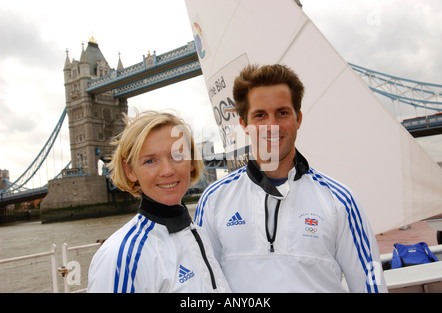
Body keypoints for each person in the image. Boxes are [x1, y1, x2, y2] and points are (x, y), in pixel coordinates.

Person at [194, 64, 387, 293]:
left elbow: (370, 285)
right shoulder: (214, 200)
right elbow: (202, 287)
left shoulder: (340, 200)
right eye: (260, 115)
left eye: (282, 113)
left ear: (298, 119)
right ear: (244, 124)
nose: (272, 126)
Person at [87, 110, 230, 293]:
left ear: (192, 160)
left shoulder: (197, 233)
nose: (167, 171)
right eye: (150, 161)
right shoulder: (123, 257)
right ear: (130, 170)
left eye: (177, 156)